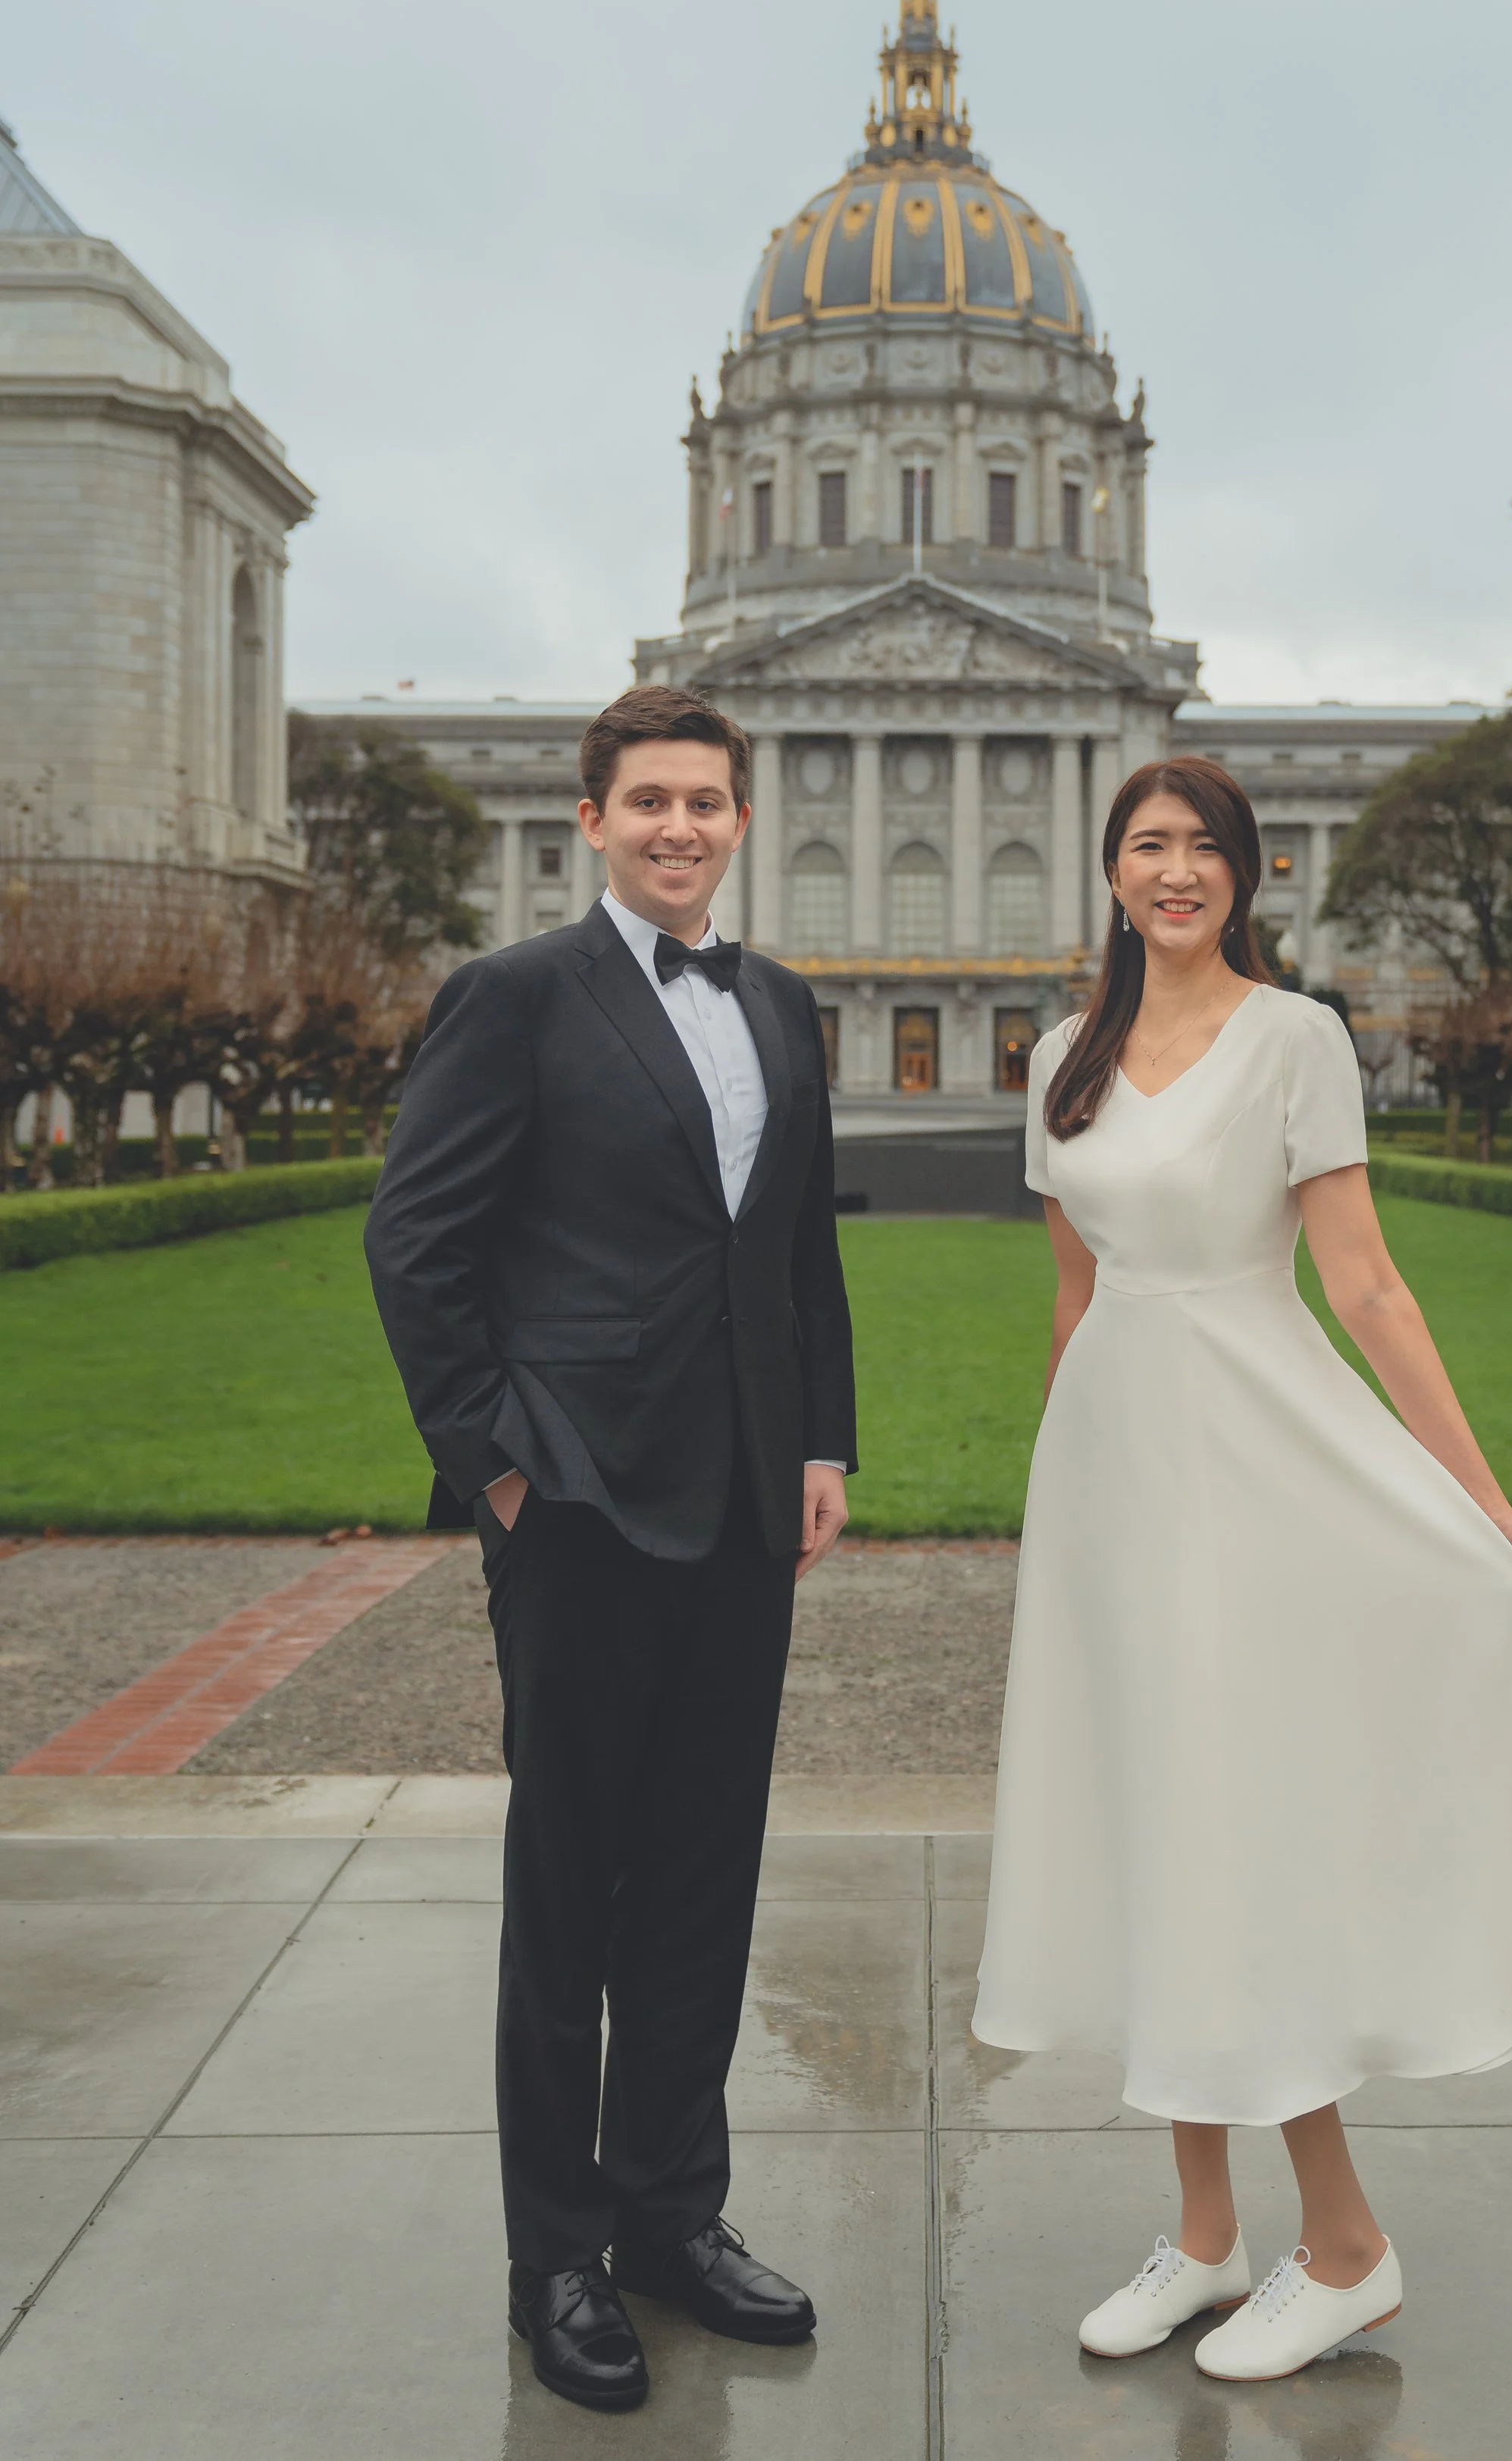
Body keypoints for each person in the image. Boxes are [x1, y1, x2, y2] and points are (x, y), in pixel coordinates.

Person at [972, 757, 1512, 2383]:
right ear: (1110, 872)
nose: (1174, 869)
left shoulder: (1296, 1039)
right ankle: (1207, 2240)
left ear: (1247, 875)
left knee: (1234, 1834)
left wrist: (1485, 1507)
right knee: (1151, 1827)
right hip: (1113, 1480)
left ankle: (1341, 2245)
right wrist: (1057, 1500)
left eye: (1203, 846)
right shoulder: (1061, 1059)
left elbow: (1364, 1285)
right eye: (1147, 845)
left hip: (1262, 1462)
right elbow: (1073, 1304)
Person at [365, 684, 856, 2414]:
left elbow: (796, 1250)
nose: (677, 827)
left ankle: (670, 2215)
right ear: (591, 818)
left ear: (739, 820)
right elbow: (415, 1243)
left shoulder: (780, 1004)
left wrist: (819, 1440)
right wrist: (495, 1468)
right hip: (572, 1502)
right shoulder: (513, 998)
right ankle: (552, 2255)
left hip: (737, 1505)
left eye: (705, 803)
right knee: (566, 1887)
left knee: (704, 1876)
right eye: (647, 801)